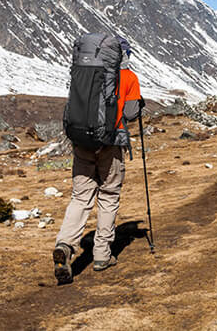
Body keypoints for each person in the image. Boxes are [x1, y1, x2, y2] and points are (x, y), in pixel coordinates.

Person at [52, 37, 143, 283]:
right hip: (110, 143)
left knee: (81, 197)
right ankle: (102, 254)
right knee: (109, 194)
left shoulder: (86, 73)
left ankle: (65, 245)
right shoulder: (129, 78)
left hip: (81, 141)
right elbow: (132, 114)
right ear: (123, 56)